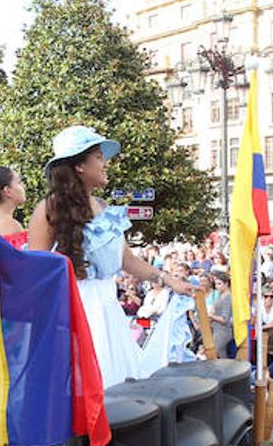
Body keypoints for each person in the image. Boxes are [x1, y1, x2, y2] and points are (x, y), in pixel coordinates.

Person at [28, 125, 192, 387]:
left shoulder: (105, 208)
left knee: (115, 386)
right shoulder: (47, 209)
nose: (106, 164)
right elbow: (37, 273)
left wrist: (169, 280)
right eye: (99, 157)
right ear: (79, 166)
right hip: (71, 312)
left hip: (108, 311)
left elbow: (127, 260)